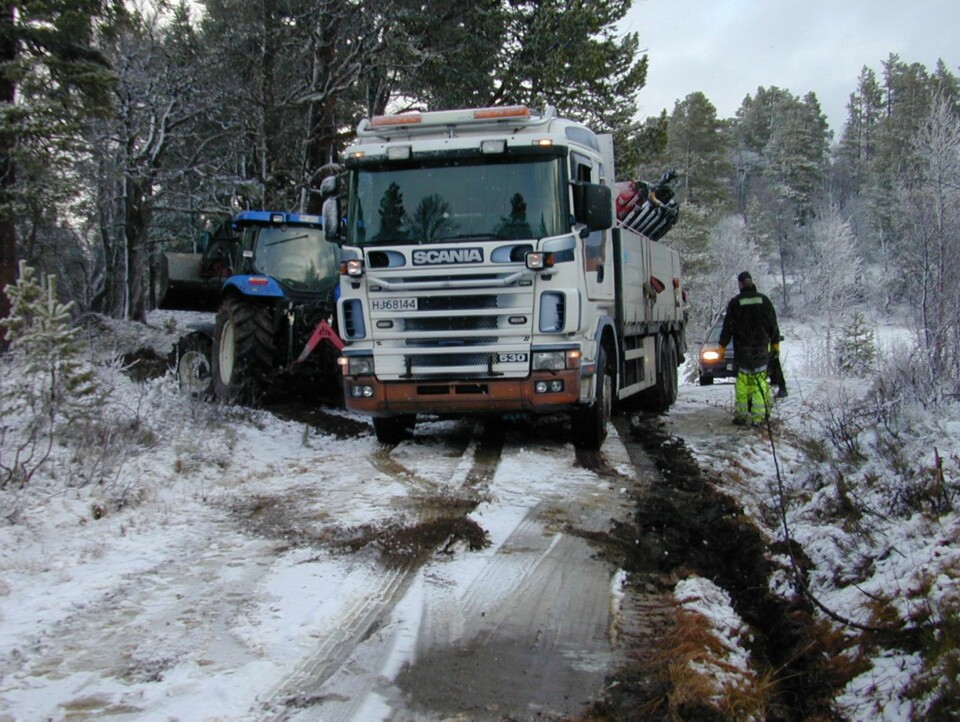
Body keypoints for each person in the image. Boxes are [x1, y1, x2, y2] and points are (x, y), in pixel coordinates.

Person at [718, 271, 782, 426]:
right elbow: (772, 324)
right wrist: (775, 343)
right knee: (760, 382)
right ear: (751, 282)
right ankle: (759, 417)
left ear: (740, 284)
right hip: (760, 348)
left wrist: (722, 346)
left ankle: (741, 416)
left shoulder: (735, 302)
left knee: (742, 383)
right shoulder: (764, 300)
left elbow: (728, 327)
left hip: (742, 350)